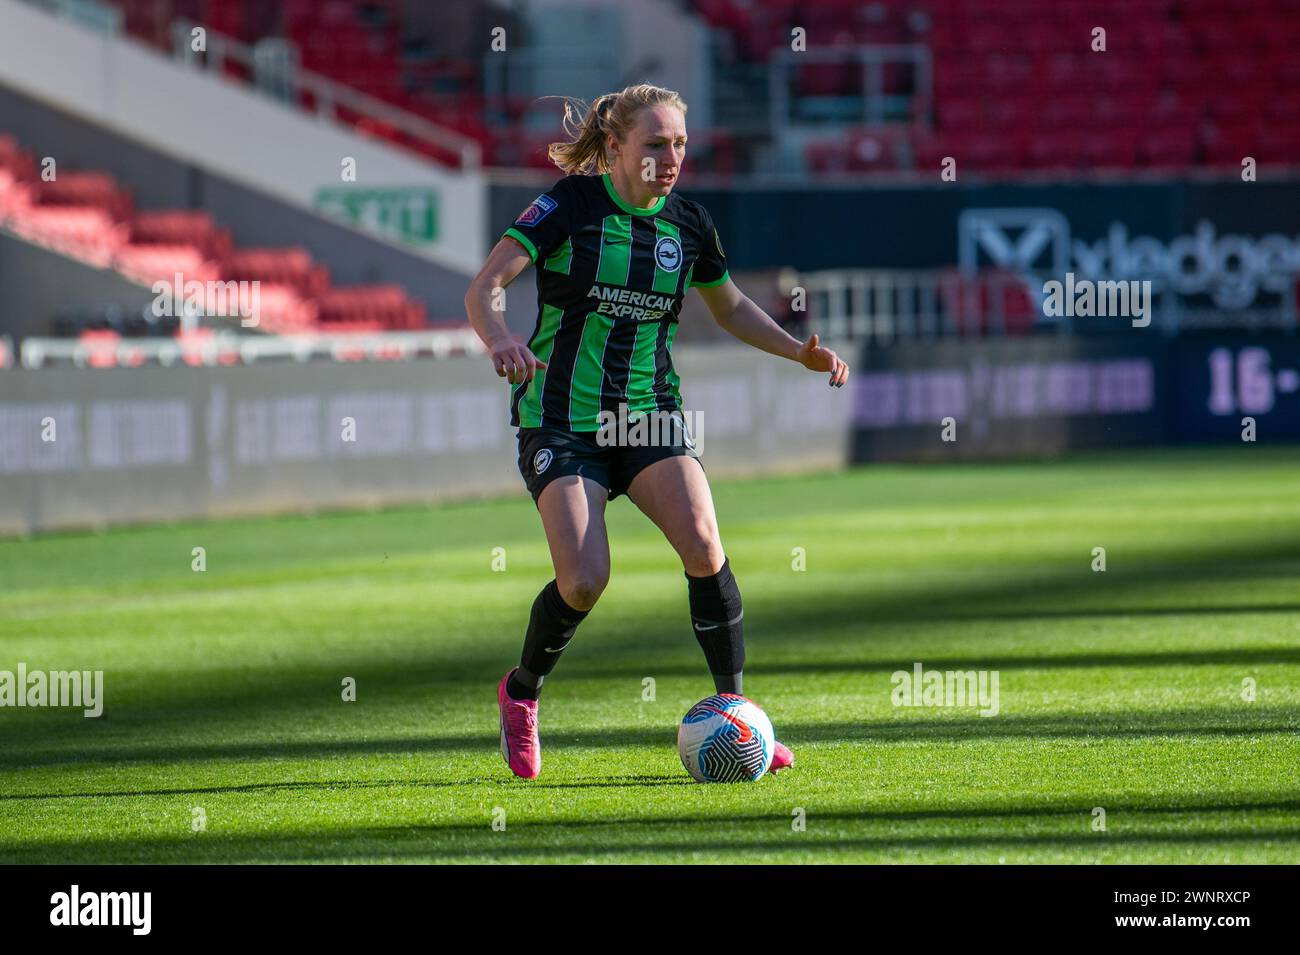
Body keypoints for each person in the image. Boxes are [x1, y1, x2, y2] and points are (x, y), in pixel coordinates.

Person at [464, 84, 850, 780]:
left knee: (705, 544)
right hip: (561, 418)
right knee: (583, 581)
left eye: (679, 144)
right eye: (655, 144)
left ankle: (737, 715)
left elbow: (729, 308)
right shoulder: (568, 206)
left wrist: (799, 350)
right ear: (614, 147)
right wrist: (498, 338)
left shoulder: (689, 223)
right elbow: (486, 284)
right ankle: (521, 693)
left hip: (648, 415)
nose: (670, 158)